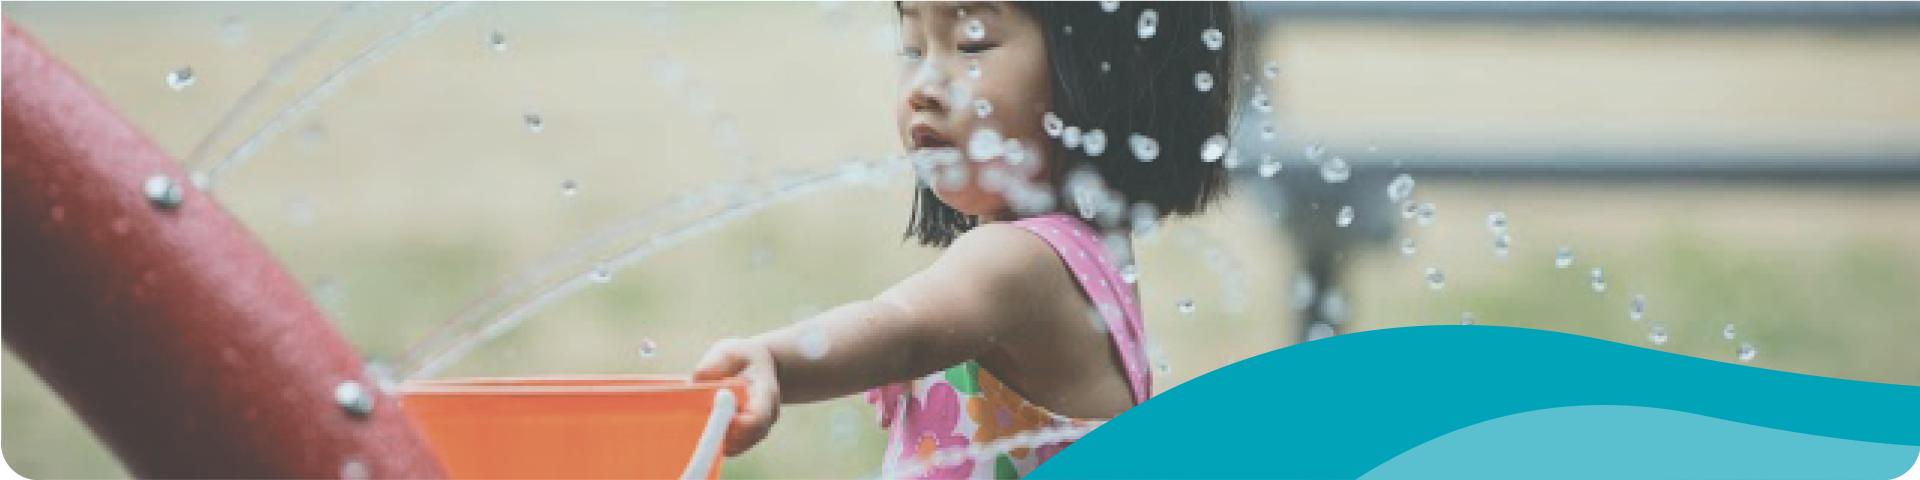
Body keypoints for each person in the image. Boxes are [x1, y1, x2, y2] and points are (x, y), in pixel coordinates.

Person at [694, 2, 1240, 477]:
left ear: (1103, 68)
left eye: (971, 43)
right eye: (911, 47)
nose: (924, 88)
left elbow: (901, 329)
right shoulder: (1089, 256)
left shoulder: (1018, 262)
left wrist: (776, 359)